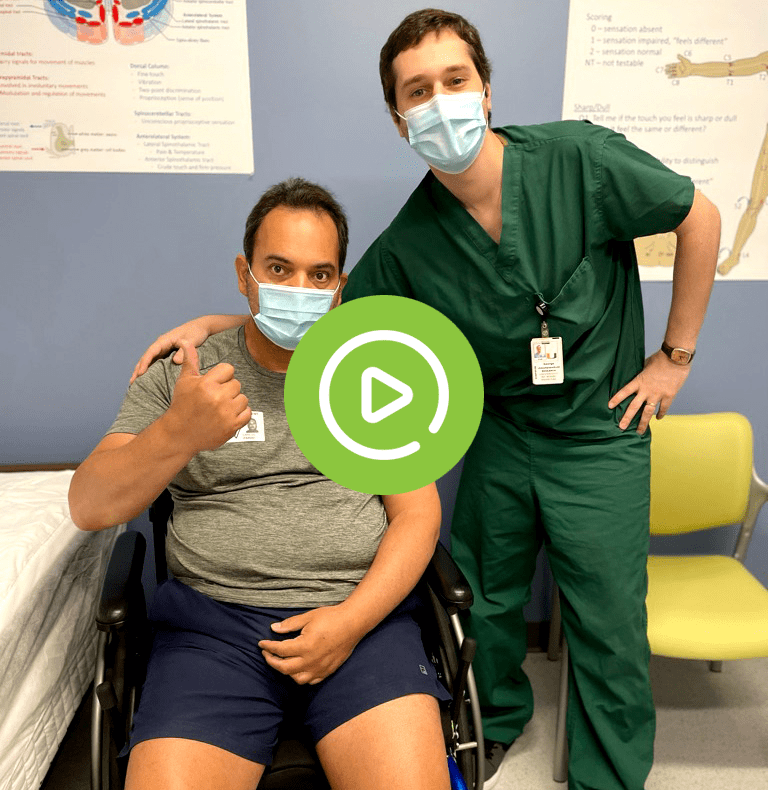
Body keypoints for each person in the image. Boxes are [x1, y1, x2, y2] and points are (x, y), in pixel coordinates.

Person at [127, 10, 721, 790]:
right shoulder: (412, 242)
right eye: (417, 90)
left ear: (483, 87)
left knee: (608, 622)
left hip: (600, 429)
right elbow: (321, 315)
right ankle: (496, 721)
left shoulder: (579, 159)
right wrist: (221, 320)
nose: (439, 101)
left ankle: (607, 777)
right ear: (398, 116)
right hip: (503, 431)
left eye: (454, 80)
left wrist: (674, 358)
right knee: (490, 598)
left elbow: (698, 215)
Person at [69, 177, 452, 790]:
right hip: (210, 630)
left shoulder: (372, 371)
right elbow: (89, 505)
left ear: (338, 289)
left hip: (360, 621)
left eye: (319, 275)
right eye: (279, 268)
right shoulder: (185, 374)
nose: (298, 290)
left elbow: (417, 517)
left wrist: (351, 621)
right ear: (245, 274)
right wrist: (178, 433)